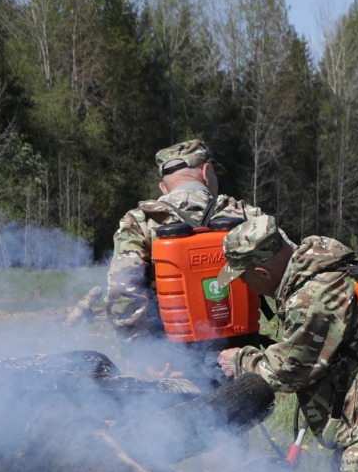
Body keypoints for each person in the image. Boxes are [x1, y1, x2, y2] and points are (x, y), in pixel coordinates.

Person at [214, 214, 358, 472]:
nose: (246, 287)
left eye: (244, 278)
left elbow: (290, 368)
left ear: (262, 273)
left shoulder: (312, 298)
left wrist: (239, 361)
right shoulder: (316, 270)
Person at [104, 139, 268, 378]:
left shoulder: (140, 222)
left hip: (172, 361)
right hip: (240, 355)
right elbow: (291, 271)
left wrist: (143, 356)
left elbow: (122, 293)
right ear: (206, 171)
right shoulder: (247, 215)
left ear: (163, 187)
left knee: (185, 415)